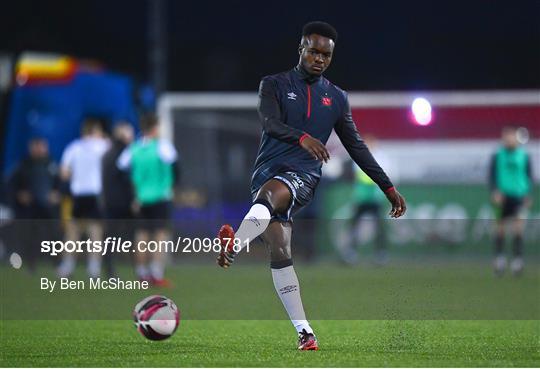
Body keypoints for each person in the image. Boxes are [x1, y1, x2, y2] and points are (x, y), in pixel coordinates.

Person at [215, 21, 406, 351]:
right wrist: (302, 137)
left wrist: (387, 187)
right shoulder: (273, 84)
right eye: (314, 51)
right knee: (280, 249)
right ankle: (305, 332)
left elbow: (356, 146)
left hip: (303, 175)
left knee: (272, 195)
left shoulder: (336, 97)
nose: (319, 58)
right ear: (301, 49)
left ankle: (235, 244)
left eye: (326, 54)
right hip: (267, 170)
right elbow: (269, 123)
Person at [118, 113, 179, 287]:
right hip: (161, 196)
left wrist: (133, 194)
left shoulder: (134, 148)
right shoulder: (162, 147)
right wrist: (172, 186)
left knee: (141, 236)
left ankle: (141, 273)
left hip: (141, 199)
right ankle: (156, 273)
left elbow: (121, 170)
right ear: (155, 127)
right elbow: (176, 168)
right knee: (160, 236)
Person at [58, 118, 109, 278]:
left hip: (78, 193)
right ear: (96, 131)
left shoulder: (74, 147)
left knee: (73, 231)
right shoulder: (103, 145)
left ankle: (67, 266)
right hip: (95, 193)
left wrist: (78, 175)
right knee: (95, 232)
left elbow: (64, 173)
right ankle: (93, 268)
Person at [8, 137, 60, 271]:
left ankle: (57, 264)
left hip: (48, 207)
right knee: (30, 236)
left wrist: (56, 194)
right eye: (36, 146)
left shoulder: (52, 164)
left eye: (41, 146)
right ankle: (30, 264)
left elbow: (60, 184)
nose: (39, 149)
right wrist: (20, 194)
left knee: (54, 235)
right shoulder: (24, 165)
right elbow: (12, 184)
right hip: (30, 207)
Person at [345, 135, 397, 265]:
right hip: (361, 197)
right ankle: (351, 253)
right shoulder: (359, 157)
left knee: (379, 227)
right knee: (354, 226)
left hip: (376, 198)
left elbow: (387, 175)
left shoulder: (381, 158)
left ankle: (381, 254)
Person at [489, 126, 533, 276]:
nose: (507, 138)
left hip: (519, 196)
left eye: (510, 135)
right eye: (505, 135)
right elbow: (492, 175)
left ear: (516, 137)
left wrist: (528, 194)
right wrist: (494, 191)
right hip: (502, 196)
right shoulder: (497, 156)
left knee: (518, 228)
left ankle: (517, 261)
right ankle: (499, 260)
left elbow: (528, 176)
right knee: (500, 228)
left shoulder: (524, 156)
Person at [101, 122, 135, 277]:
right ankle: (140, 269)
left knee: (110, 237)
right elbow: (127, 179)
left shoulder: (107, 153)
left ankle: (109, 268)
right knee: (134, 235)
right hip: (124, 202)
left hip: (110, 201)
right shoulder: (126, 153)